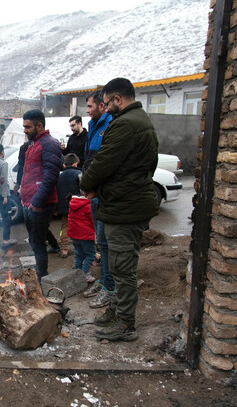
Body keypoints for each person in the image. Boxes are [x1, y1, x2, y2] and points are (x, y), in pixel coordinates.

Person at [80, 78, 159, 342]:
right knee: (116, 264)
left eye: (106, 102)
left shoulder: (125, 124)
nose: (103, 107)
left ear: (117, 99)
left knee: (123, 268)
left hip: (126, 206)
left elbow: (104, 162)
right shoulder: (139, 120)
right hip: (123, 203)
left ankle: (126, 324)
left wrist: (87, 184)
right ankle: (117, 312)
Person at [83, 90, 116, 309]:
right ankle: (104, 281)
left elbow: (104, 164)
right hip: (95, 194)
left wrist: (92, 187)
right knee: (101, 243)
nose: (88, 110)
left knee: (107, 243)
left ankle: (110, 288)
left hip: (103, 195)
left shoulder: (110, 126)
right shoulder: (95, 127)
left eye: (90, 106)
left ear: (102, 107)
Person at [20, 109, 61, 281]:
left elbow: (51, 176)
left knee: (38, 243)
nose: (25, 130)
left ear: (39, 125)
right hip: (29, 202)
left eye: (28, 127)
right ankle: (40, 273)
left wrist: (36, 202)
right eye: (24, 126)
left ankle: (42, 276)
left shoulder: (49, 143)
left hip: (40, 204)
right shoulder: (33, 144)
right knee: (34, 241)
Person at [16, 138, 60, 253]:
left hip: (39, 193)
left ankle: (40, 249)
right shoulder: (24, 148)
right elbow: (21, 169)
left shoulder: (45, 146)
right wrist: (21, 187)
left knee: (38, 226)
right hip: (27, 192)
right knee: (34, 226)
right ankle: (48, 246)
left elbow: (50, 175)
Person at [56, 153, 83, 259]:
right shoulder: (79, 173)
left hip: (63, 206)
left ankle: (64, 249)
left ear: (64, 165)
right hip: (78, 205)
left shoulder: (59, 176)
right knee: (80, 226)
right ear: (76, 164)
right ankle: (80, 249)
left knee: (64, 227)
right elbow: (83, 189)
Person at [68, 195, 96, 283]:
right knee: (90, 255)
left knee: (79, 255)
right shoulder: (88, 205)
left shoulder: (72, 204)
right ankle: (85, 274)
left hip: (74, 235)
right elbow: (93, 221)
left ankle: (76, 274)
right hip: (86, 235)